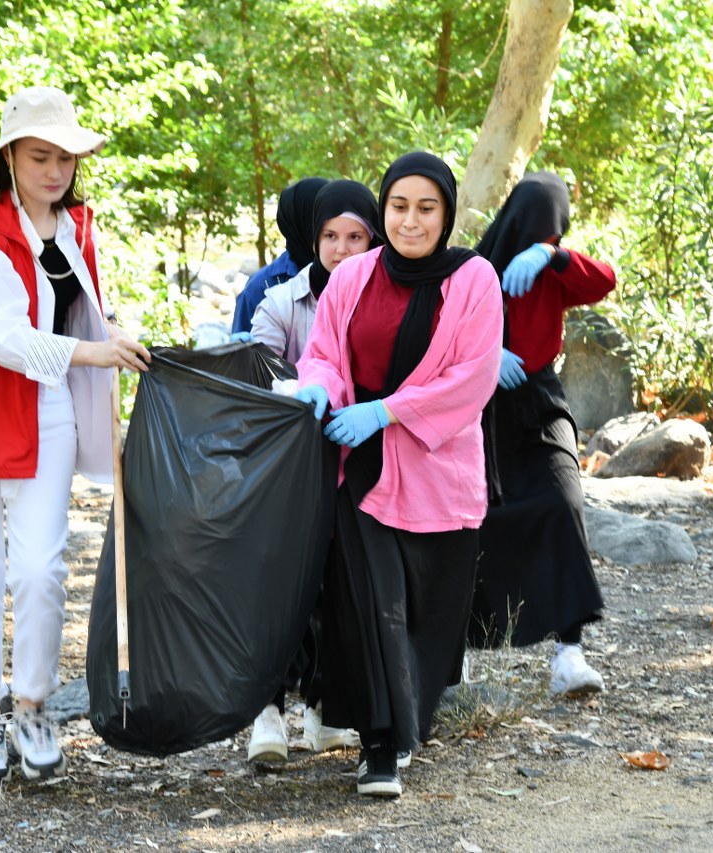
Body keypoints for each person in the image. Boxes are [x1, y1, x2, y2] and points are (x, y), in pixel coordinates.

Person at [0, 86, 150, 785]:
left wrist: (113, 336)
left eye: (66, 158)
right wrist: (92, 353)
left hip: (43, 410)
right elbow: (1, 337)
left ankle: (33, 704)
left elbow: (81, 314)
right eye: (40, 156)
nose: (55, 170)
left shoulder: (79, 227)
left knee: (42, 569)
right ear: (10, 158)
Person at [293, 152, 502, 798]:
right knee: (367, 605)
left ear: (446, 213)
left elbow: (471, 376)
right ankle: (378, 745)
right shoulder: (353, 276)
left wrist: (386, 411)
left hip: (437, 470)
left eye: (426, 207)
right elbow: (325, 352)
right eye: (399, 206)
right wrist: (319, 390)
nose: (410, 220)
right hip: (361, 469)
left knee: (426, 617)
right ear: (384, 211)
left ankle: (407, 722)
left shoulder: (473, 279)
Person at [243, 179, 380, 763]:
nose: (342, 248)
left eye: (355, 236)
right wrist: (303, 390)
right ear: (314, 238)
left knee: (341, 590)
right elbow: (255, 367)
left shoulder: (389, 297)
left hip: (362, 464)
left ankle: (323, 710)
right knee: (280, 584)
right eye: (330, 236)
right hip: (292, 464)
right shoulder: (279, 300)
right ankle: (266, 713)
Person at [469, 171, 616, 696]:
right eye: (538, 229)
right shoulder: (473, 266)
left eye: (554, 231)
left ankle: (569, 652)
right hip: (475, 399)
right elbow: (437, 326)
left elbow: (603, 281)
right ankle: (453, 654)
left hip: (537, 393)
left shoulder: (551, 264)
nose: (545, 237)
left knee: (562, 500)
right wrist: (485, 355)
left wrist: (554, 257)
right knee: (472, 519)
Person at [230, 177, 328, 335]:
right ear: (300, 222)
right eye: (319, 219)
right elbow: (242, 355)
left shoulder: (351, 274)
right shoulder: (262, 287)